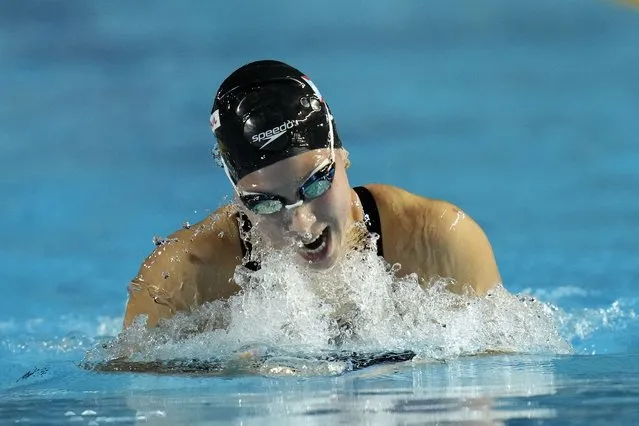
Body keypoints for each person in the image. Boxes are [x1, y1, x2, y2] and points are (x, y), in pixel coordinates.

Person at [123, 60, 502, 329]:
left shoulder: (438, 242)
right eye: (267, 202)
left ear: (344, 156)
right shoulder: (180, 281)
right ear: (239, 199)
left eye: (316, 184)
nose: (301, 223)